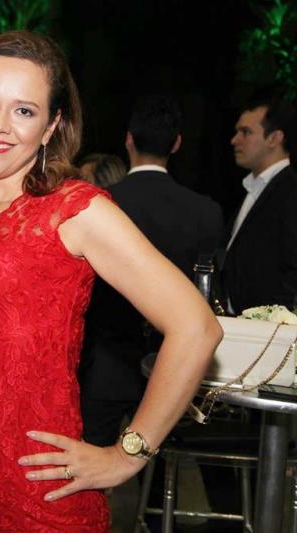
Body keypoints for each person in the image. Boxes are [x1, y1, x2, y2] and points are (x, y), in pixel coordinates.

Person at [0, 31, 221, 532]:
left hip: (34, 491)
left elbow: (196, 327)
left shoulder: (75, 212)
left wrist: (127, 454)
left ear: (50, 128)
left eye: (24, 111)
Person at [79, 94, 223, 447]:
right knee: (167, 461)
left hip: (105, 364)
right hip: (173, 366)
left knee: (89, 459)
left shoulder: (100, 204)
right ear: (176, 144)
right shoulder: (205, 212)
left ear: (128, 139)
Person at [221, 88, 297, 313]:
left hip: (267, 328)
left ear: (274, 138)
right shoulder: (253, 189)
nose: (234, 140)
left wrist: (275, 321)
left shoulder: (291, 191)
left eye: (245, 132)